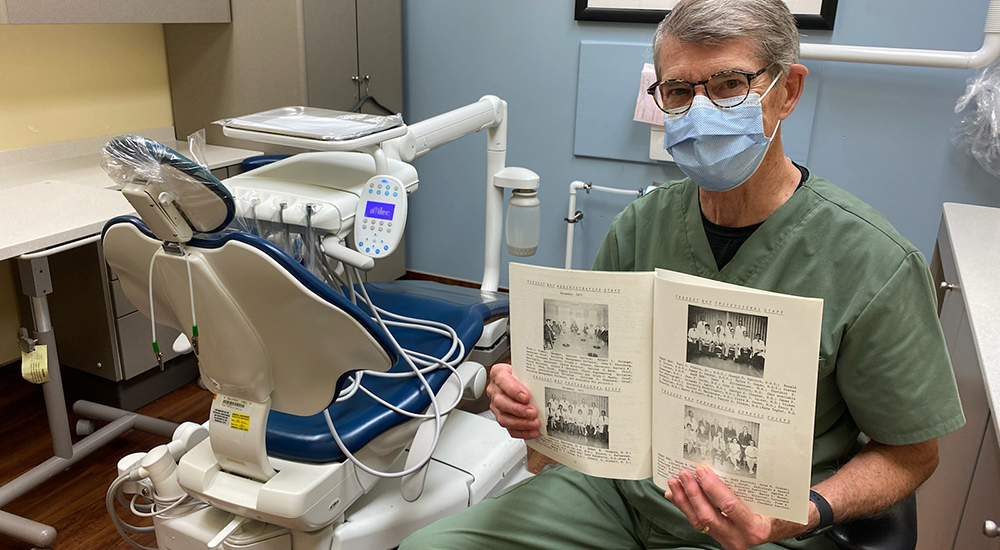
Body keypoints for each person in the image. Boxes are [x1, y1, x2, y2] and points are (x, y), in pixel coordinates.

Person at [402, 0, 963, 547]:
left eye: (728, 85)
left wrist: (805, 514)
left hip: (755, 529)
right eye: (678, 91)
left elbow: (912, 453)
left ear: (787, 91)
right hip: (614, 495)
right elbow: (576, 396)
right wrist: (526, 402)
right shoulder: (643, 224)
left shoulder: (873, 263)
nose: (699, 110)